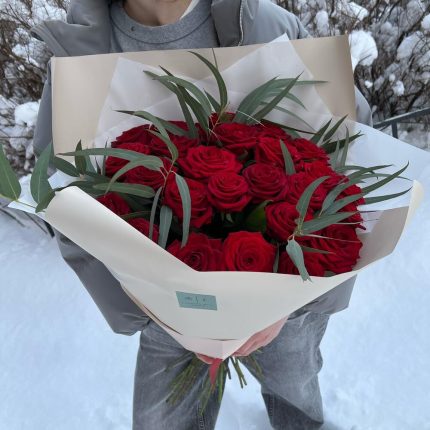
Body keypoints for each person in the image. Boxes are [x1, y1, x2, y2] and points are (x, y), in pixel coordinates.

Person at [31, 1, 373, 429]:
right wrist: (143, 305)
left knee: (295, 390)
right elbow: (59, 193)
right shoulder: (81, 52)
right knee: (163, 418)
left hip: (286, 310)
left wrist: (294, 299)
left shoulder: (266, 25)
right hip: (162, 315)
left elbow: (350, 143)